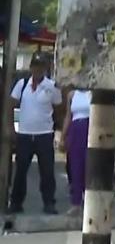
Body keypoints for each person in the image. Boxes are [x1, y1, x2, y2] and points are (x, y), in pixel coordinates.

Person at [8, 55, 63, 214]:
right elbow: (10, 105)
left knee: (47, 171)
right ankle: (16, 203)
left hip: (44, 135)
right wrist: (11, 128)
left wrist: (57, 131)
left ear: (45, 69)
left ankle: (49, 203)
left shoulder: (52, 87)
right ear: (31, 67)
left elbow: (59, 110)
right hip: (24, 135)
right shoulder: (22, 84)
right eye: (35, 66)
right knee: (20, 171)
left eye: (41, 66)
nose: (38, 69)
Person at [61, 87, 92, 215]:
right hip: (75, 128)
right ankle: (76, 203)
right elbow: (68, 116)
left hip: (89, 127)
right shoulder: (72, 95)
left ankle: (90, 201)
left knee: (89, 166)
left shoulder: (93, 93)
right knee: (75, 167)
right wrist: (63, 136)